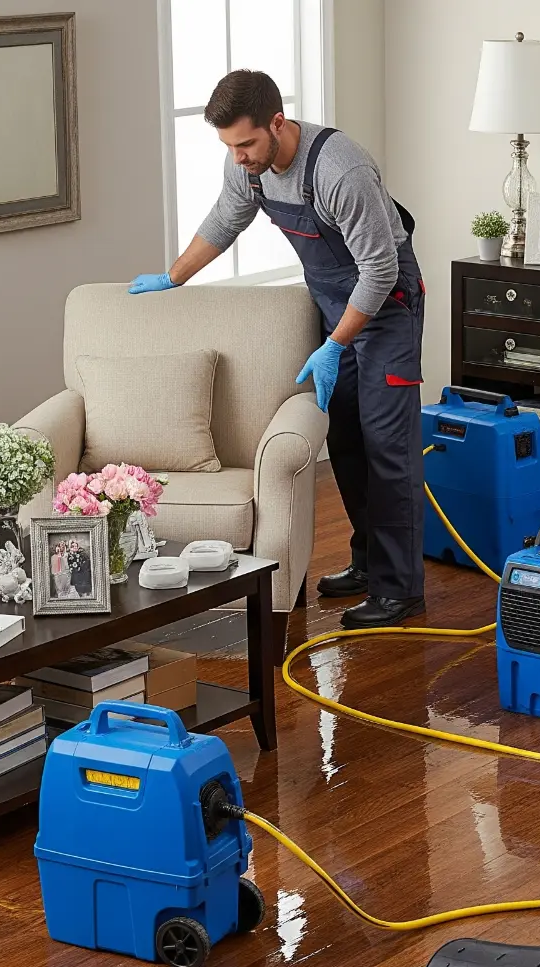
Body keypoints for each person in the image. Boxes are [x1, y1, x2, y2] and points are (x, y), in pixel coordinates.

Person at [128, 69, 426, 629]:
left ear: (278, 123)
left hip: (387, 308)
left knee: (388, 447)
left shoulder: (339, 170)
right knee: (346, 439)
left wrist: (335, 344)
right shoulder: (249, 168)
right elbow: (225, 219)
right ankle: (369, 565)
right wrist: (174, 276)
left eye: (246, 143)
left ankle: (400, 589)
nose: (238, 156)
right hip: (335, 306)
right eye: (229, 146)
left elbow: (380, 270)